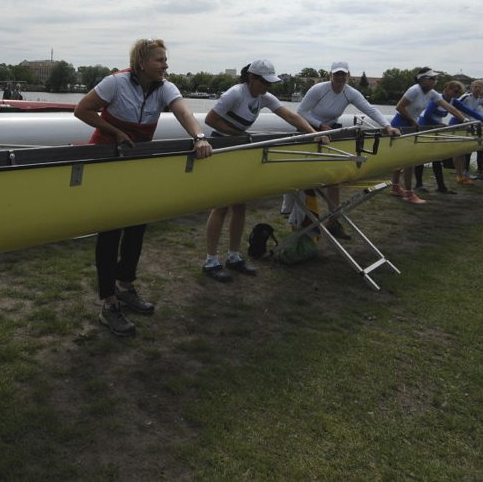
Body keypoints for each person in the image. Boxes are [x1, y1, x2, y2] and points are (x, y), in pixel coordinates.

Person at [73, 39, 212, 336]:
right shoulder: (115, 83)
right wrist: (117, 132)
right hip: (108, 160)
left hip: (136, 162)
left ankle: (125, 286)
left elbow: (183, 111)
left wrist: (199, 136)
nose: (165, 64)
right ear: (141, 63)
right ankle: (108, 303)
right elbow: (82, 110)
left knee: (137, 225)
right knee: (110, 231)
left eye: (165, 59)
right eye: (160, 60)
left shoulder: (164, 87)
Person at [202, 60, 326, 281]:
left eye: (270, 83)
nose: (267, 87)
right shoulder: (235, 93)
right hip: (222, 148)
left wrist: (312, 133)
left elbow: (290, 116)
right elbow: (211, 120)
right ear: (251, 78)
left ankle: (234, 257)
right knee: (220, 207)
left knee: (240, 206)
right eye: (264, 82)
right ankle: (211, 261)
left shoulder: (264, 98)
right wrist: (234, 134)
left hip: (239, 149)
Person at [296, 61, 401, 236]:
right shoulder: (318, 89)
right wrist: (319, 125)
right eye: (337, 74)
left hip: (329, 133)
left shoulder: (350, 92)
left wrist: (387, 126)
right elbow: (301, 112)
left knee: (334, 179)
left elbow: (370, 110)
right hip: (306, 129)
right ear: (331, 75)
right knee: (305, 179)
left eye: (343, 74)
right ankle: (303, 221)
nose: (340, 77)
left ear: (348, 75)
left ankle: (333, 221)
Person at [388, 69, 465, 203]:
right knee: (409, 160)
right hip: (401, 124)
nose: (434, 81)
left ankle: (395, 188)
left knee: (403, 160)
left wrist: (464, 120)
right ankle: (408, 193)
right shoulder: (414, 90)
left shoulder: (432, 93)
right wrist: (412, 120)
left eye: (435, 79)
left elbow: (449, 108)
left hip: (412, 125)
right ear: (422, 79)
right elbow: (399, 107)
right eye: (431, 78)